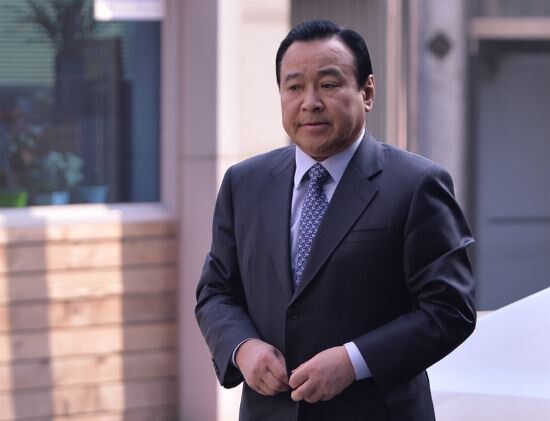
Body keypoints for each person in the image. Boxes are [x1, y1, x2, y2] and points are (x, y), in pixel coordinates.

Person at [196, 19, 476, 421]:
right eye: (294, 87)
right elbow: (216, 291)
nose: (310, 102)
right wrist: (243, 348)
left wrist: (354, 361)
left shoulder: (416, 185)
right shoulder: (244, 184)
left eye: (328, 85)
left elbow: (450, 308)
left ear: (367, 92)